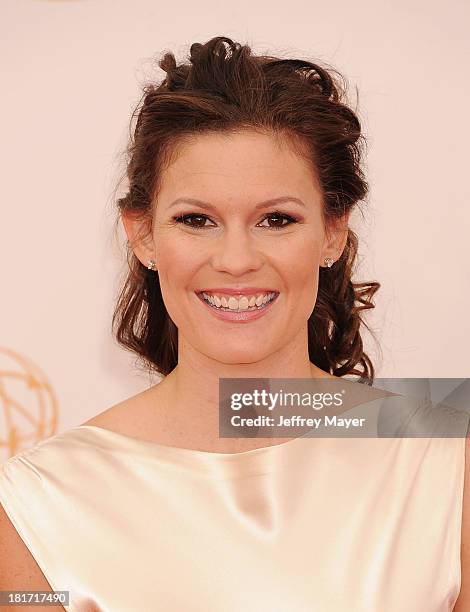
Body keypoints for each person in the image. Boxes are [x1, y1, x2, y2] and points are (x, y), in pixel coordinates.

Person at [0, 35, 468, 611]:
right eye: (197, 219)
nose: (237, 260)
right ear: (142, 234)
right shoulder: (36, 502)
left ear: (332, 232)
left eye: (276, 219)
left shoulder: (446, 461)